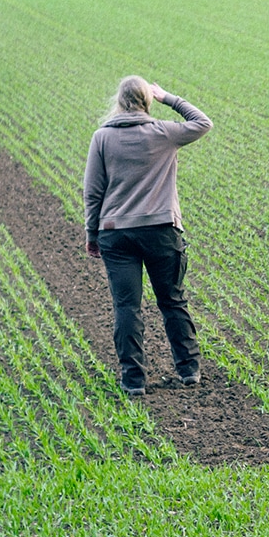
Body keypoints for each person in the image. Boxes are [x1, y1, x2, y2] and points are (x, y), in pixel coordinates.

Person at [83, 75, 212, 398]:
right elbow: (202, 122)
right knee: (172, 300)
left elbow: (93, 192)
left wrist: (91, 232)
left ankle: (133, 379)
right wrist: (168, 96)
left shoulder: (102, 138)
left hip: (116, 233)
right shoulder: (164, 132)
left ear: (120, 100)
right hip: (161, 232)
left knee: (127, 306)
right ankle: (188, 369)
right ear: (147, 101)